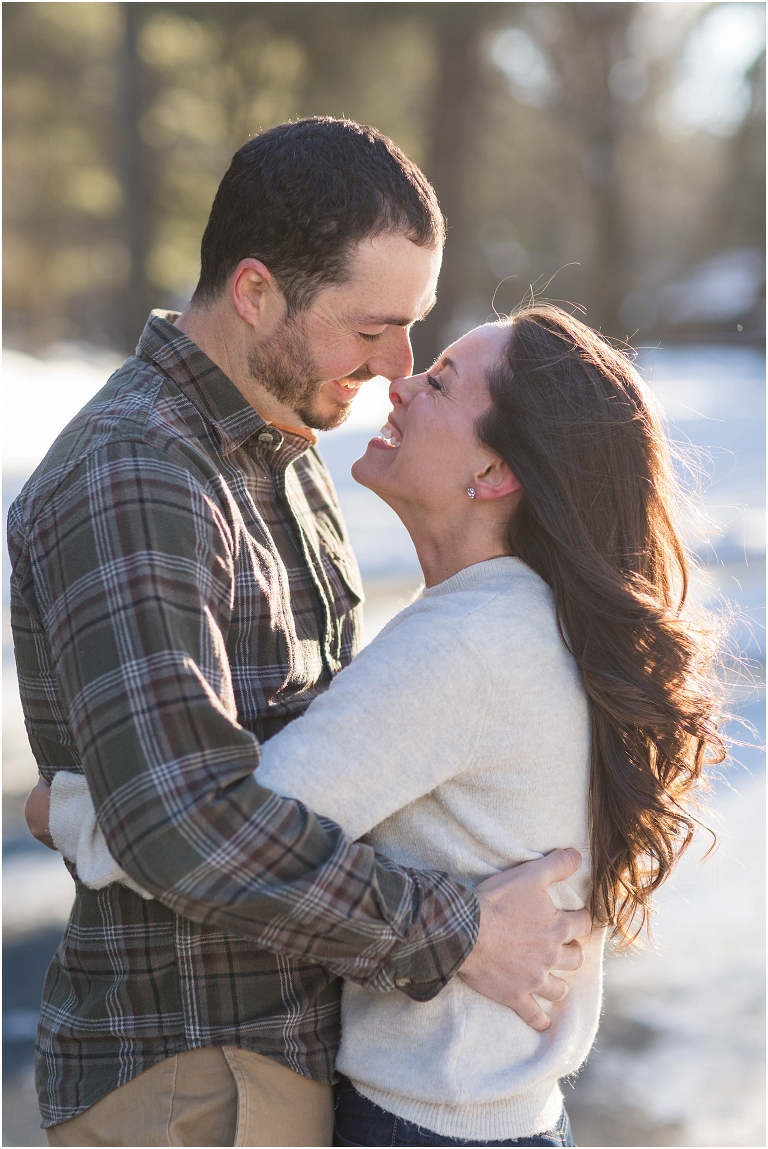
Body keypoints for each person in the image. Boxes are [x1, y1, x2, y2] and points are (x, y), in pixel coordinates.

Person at [10, 118, 590, 1148]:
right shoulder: (142, 474)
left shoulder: (274, 452)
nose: (398, 366)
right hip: (193, 1069)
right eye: (371, 330)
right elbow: (186, 828)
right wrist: (455, 933)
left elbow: (327, 766)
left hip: (279, 1054)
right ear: (255, 293)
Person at [30, 306, 725, 1147]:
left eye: (439, 382)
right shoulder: (524, 621)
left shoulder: (472, 642)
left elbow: (217, 833)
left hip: (421, 1125)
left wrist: (63, 808)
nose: (400, 382)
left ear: (496, 469)